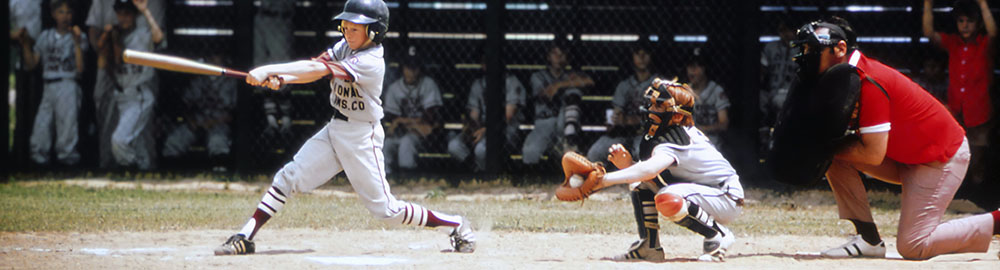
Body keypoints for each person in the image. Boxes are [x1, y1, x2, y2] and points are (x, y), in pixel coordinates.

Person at [214, 0, 476, 255]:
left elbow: (318, 68)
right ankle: (245, 235)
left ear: (374, 31)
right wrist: (282, 78)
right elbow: (315, 68)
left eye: (355, 28)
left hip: (362, 137)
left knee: (387, 212)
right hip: (335, 128)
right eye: (345, 27)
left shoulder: (371, 61)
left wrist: (267, 69)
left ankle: (455, 224)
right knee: (288, 176)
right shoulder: (346, 46)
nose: (347, 33)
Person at [792, 17, 1000, 260]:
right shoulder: (840, 79)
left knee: (913, 246)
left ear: (840, 49)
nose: (806, 55)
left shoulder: (867, 79)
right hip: (909, 156)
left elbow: (873, 153)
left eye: (812, 49)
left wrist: (820, 147)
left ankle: (997, 222)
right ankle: (868, 239)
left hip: (941, 158)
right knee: (834, 155)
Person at [593, 78, 743, 262]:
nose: (650, 109)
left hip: (725, 195)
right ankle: (650, 246)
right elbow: (649, 175)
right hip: (706, 190)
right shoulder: (668, 131)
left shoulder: (676, 138)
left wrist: (602, 180)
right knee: (642, 184)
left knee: (667, 198)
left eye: (659, 106)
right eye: (652, 104)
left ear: (678, 116)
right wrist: (630, 166)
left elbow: (648, 170)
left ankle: (719, 235)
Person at [922, 0, 996, 185]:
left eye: (970, 21)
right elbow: (929, 33)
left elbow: (993, 32)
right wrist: (928, 4)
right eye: (961, 21)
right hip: (956, 108)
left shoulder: (984, 44)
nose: (965, 25)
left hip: (979, 109)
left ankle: (978, 188)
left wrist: (983, 5)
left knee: (978, 153)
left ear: (978, 24)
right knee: (954, 151)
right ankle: (960, 188)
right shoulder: (953, 43)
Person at [19, 0, 87, 166]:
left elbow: (80, 69)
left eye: (68, 12)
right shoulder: (45, 36)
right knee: (41, 127)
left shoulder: (78, 36)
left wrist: (77, 43)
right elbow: (32, 64)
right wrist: (25, 44)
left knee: (67, 128)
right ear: (53, 14)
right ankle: (39, 161)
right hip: (48, 84)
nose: (65, 16)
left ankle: (68, 162)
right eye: (61, 12)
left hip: (68, 82)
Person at [109, 0, 164, 170]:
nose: (123, 18)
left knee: (119, 140)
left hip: (139, 94)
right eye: (120, 13)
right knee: (138, 142)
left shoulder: (143, 34)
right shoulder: (114, 34)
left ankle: (130, 169)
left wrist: (146, 11)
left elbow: (158, 37)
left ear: (134, 15)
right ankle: (143, 173)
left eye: (127, 14)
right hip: (122, 96)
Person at [447, 53, 527, 172]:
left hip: (505, 130)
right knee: (453, 145)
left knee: (481, 149)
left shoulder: (512, 82)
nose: (488, 65)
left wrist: (485, 130)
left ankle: (486, 177)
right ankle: (475, 170)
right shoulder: (478, 84)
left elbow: (508, 116)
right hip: (482, 129)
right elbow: (474, 115)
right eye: (485, 62)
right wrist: (471, 129)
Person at [161, 51, 238, 171]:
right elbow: (185, 105)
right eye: (209, 56)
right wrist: (191, 120)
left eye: (215, 55)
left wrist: (213, 122)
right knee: (173, 142)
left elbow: (234, 114)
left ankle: (220, 171)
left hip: (219, 122)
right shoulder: (198, 79)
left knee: (217, 142)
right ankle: (172, 172)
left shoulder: (231, 80)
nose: (212, 58)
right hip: (197, 121)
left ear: (223, 58)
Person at [586, 45, 661, 166]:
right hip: (624, 134)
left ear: (652, 57)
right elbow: (616, 114)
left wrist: (631, 120)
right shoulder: (624, 85)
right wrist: (613, 121)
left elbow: (661, 116)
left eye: (645, 53)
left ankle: (640, 178)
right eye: (637, 53)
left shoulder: (659, 84)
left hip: (646, 134)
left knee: (643, 153)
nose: (641, 57)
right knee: (595, 153)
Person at [522, 42, 594, 166]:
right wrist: (570, 82)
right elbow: (546, 95)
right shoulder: (538, 76)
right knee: (530, 151)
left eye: (562, 54)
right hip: (545, 121)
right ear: (548, 57)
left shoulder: (570, 75)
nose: (558, 57)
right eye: (554, 54)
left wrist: (559, 85)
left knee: (573, 91)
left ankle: (569, 139)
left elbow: (589, 81)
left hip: (565, 122)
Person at [382, 49, 444, 174]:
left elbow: (429, 119)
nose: (412, 72)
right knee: (388, 143)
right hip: (403, 132)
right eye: (408, 67)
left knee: (407, 142)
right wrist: (407, 123)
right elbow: (391, 119)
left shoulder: (428, 84)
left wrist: (401, 121)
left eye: (415, 67)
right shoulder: (395, 88)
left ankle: (407, 176)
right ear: (402, 69)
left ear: (420, 69)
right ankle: (386, 177)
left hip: (423, 135)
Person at [255, 0, 295, 138]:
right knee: (260, 68)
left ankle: (286, 120)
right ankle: (270, 120)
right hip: (261, 17)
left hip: (280, 18)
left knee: (280, 69)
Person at [687, 48, 730, 150]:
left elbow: (724, 123)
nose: (693, 70)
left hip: (711, 143)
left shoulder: (716, 90)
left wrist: (702, 129)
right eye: (690, 66)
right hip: (689, 143)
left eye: (698, 66)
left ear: (705, 69)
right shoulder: (684, 91)